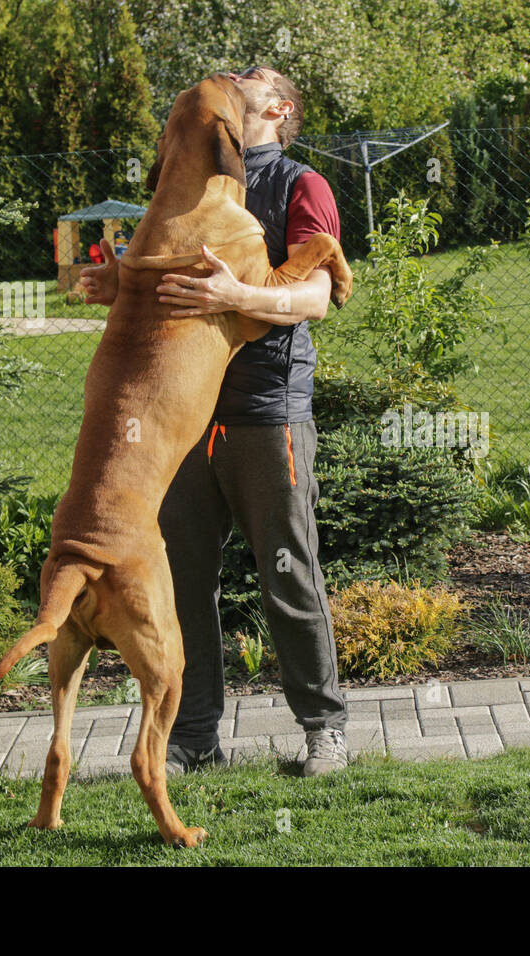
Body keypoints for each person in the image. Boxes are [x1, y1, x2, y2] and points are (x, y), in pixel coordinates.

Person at [78, 65, 348, 777]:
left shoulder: (300, 185)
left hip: (265, 406)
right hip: (181, 422)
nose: (236, 78)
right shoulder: (189, 178)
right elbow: (163, 283)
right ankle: (196, 737)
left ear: (279, 107)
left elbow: (317, 296)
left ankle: (324, 730)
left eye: (253, 77)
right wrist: (116, 283)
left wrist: (235, 294)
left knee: (288, 572)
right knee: (187, 581)